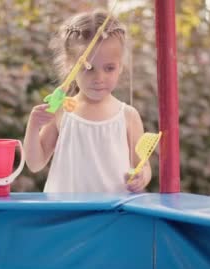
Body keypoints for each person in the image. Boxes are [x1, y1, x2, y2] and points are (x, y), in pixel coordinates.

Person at [23, 9, 151, 193]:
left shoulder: (128, 115)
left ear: (121, 66)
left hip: (111, 213)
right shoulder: (61, 111)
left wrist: (141, 177)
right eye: (88, 68)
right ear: (70, 66)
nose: (99, 77)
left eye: (109, 68)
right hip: (65, 211)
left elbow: (143, 166)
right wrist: (33, 126)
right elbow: (35, 164)